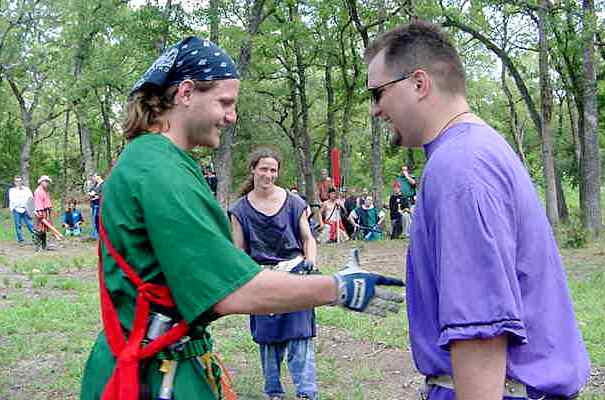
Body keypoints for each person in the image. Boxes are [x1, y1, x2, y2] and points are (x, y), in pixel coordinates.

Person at [80, 36, 403, 400]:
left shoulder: (153, 160)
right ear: (186, 93)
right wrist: (339, 288)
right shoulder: (159, 171)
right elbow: (232, 291)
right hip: (150, 377)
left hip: (151, 358)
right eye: (225, 102)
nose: (232, 116)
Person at [365, 20, 589, 400]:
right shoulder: (474, 150)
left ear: (419, 84)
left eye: (378, 94)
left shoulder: (461, 167)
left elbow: (481, 333)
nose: (375, 110)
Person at [229, 148, 319, 400]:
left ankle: (306, 393)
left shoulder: (294, 203)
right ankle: (273, 392)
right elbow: (239, 252)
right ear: (253, 170)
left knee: (300, 335)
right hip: (261, 277)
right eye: (264, 169)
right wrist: (247, 278)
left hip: (295, 274)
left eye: (273, 169)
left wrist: (310, 262)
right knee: (268, 340)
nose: (268, 174)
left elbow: (307, 238)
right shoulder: (240, 210)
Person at [8, 175, 35, 245]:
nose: (18, 182)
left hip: (25, 209)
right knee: (18, 225)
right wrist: (13, 209)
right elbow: (12, 200)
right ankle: (21, 240)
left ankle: (35, 237)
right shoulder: (12, 190)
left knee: (30, 224)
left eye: (20, 181)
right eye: (17, 181)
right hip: (16, 209)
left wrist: (31, 208)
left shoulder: (26, 189)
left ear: (22, 181)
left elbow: (31, 198)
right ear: (14, 182)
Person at [33, 175, 54, 251]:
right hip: (41, 212)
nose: (47, 183)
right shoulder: (38, 191)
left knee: (44, 229)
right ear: (41, 182)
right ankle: (37, 247)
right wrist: (40, 213)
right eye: (45, 181)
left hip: (45, 211)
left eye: (47, 182)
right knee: (39, 229)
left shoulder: (44, 191)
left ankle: (44, 246)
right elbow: (38, 203)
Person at [88, 173, 104, 239]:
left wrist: (97, 196)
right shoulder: (95, 184)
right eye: (93, 177)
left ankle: (100, 235)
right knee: (94, 220)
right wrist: (91, 194)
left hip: (100, 205)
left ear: (99, 176)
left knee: (99, 220)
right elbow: (90, 191)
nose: (93, 178)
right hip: (93, 205)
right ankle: (96, 234)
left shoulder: (103, 184)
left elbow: (103, 194)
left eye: (94, 176)